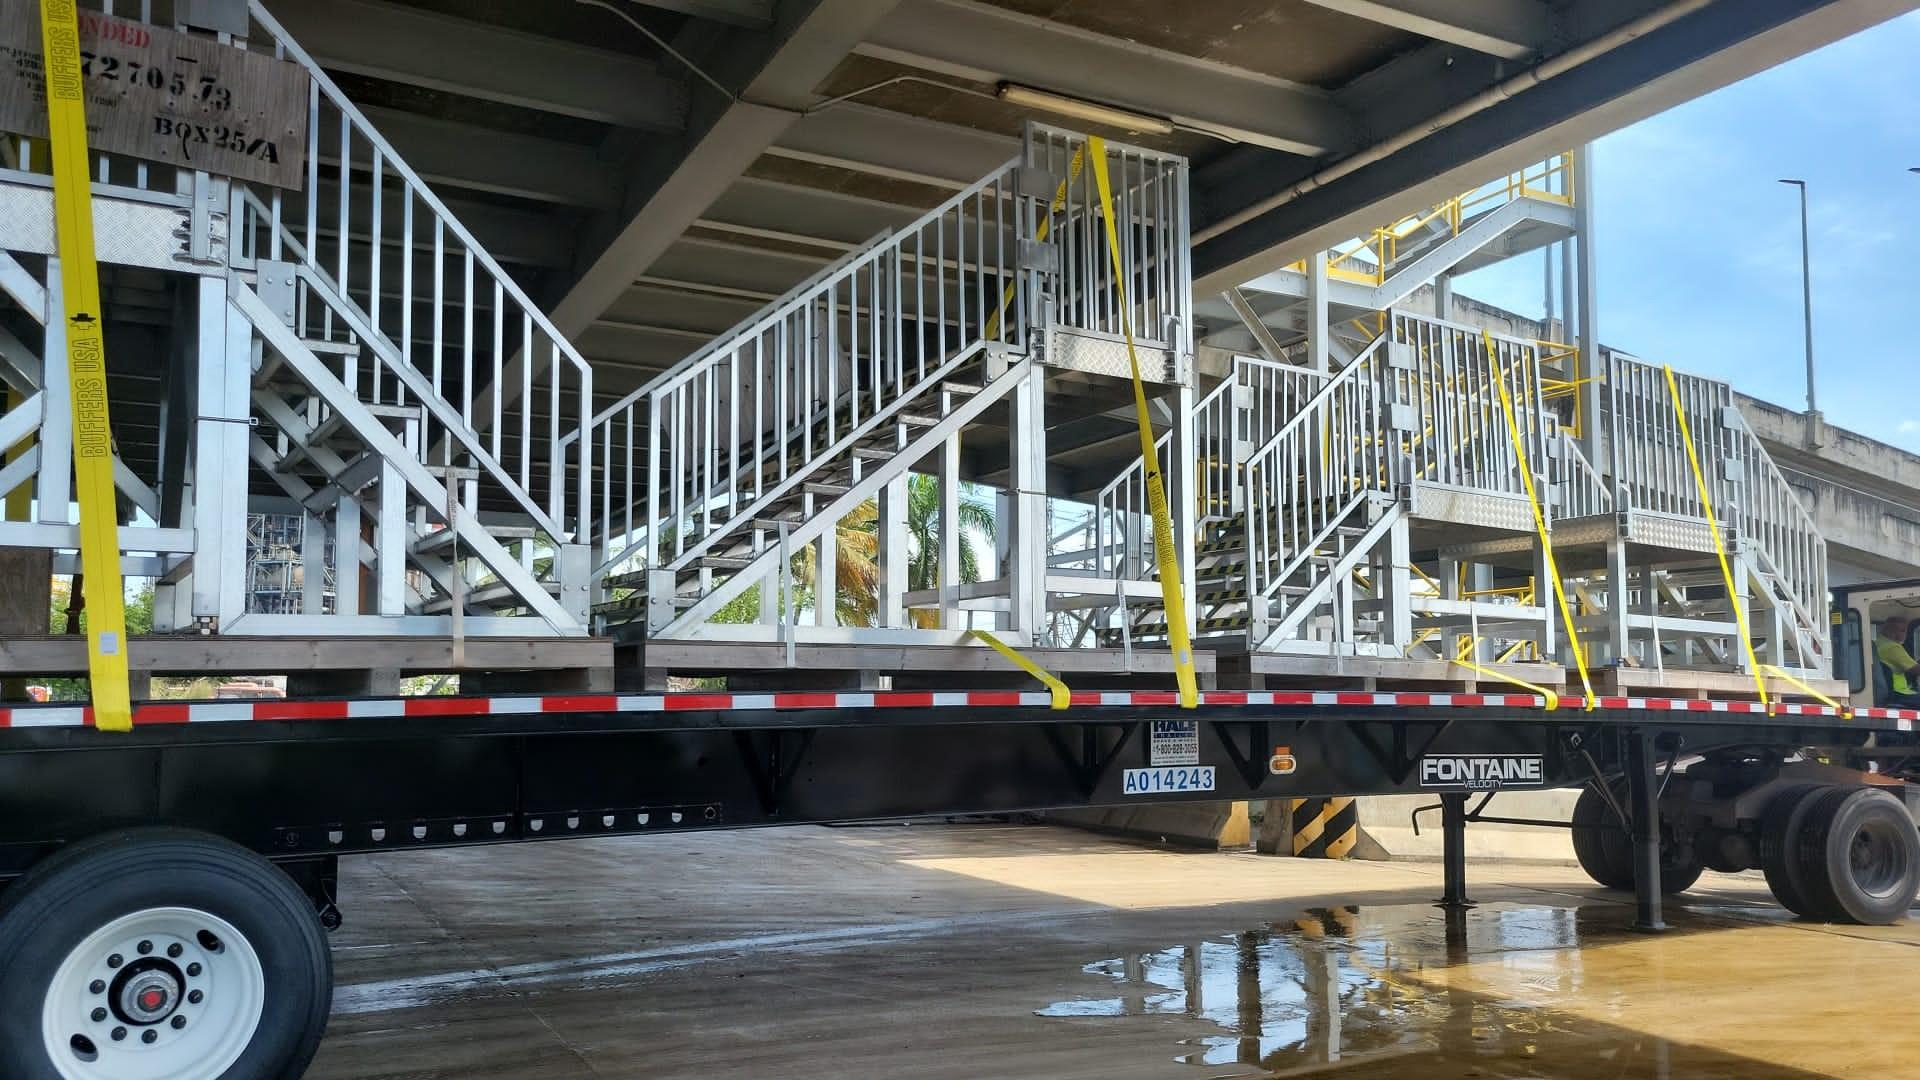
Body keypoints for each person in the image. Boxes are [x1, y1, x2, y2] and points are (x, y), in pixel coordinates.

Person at [1873, 615, 1920, 707]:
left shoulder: (1878, 643)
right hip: (1898, 692)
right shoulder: (1892, 647)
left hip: (1888, 691)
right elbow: (1915, 670)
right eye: (1901, 630)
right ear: (1888, 630)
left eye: (1904, 631)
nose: (1903, 634)